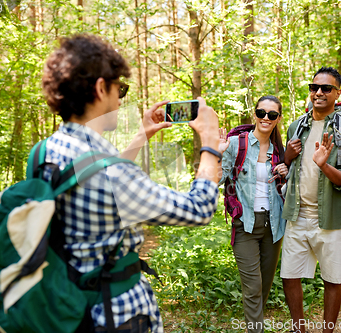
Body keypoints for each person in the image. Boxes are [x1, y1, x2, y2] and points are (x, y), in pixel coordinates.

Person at [41, 34, 222, 332]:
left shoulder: (47, 151)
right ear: (101, 88)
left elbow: (100, 179)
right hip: (115, 315)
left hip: (66, 305)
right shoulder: (110, 174)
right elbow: (199, 209)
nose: (120, 98)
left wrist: (141, 135)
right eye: (120, 88)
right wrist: (210, 142)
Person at [281, 67, 341, 333]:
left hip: (330, 217)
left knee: (332, 279)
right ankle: (299, 329)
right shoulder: (297, 126)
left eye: (326, 88)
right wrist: (287, 157)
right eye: (314, 87)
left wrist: (324, 165)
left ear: (337, 93)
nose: (318, 92)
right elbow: (288, 168)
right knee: (289, 276)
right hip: (296, 214)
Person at [218, 95, 288, 333]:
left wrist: (286, 172)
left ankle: (253, 325)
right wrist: (217, 153)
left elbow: (289, 189)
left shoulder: (281, 150)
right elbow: (218, 178)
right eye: (261, 113)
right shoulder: (237, 143)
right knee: (253, 286)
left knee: (264, 286)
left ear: (278, 118)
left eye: (272, 115)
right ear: (254, 115)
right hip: (245, 225)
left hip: (274, 225)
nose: (265, 118)